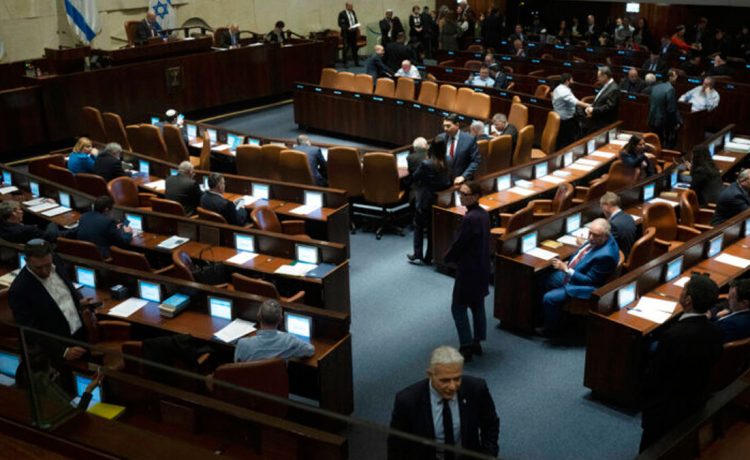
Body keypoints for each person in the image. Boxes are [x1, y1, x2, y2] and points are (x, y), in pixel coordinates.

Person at [640, 274, 722, 452]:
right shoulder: (716, 331)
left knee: (650, 450)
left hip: (664, 408)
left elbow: (655, 375)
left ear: (688, 300)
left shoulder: (674, 336)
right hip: (694, 403)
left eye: (683, 289)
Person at [388, 345, 500, 459]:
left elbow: (490, 424)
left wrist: (488, 455)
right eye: (445, 380)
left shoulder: (476, 389)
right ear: (430, 375)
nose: (452, 387)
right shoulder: (408, 401)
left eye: (457, 379)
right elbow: (397, 446)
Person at [9, 239, 94, 382]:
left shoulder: (56, 261)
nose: (45, 271)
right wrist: (63, 351)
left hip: (80, 334)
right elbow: (30, 330)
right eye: (38, 267)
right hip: (57, 350)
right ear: (26, 261)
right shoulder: (19, 290)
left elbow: (66, 288)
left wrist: (77, 303)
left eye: (48, 265)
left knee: (89, 378)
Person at [537, 218, 619, 336]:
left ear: (605, 236)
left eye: (595, 235)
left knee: (549, 298)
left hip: (582, 286)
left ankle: (550, 330)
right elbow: (588, 253)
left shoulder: (606, 255)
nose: (590, 237)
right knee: (541, 279)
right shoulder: (601, 240)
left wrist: (566, 269)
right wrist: (582, 245)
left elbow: (590, 281)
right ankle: (543, 316)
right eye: (590, 233)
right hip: (575, 272)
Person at [444, 181, 489, 360]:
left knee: (458, 307)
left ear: (476, 196)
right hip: (482, 267)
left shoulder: (470, 219)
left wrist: (447, 258)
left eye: (465, 194)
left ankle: (466, 346)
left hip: (468, 270)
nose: (461, 197)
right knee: (477, 304)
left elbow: (460, 243)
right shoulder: (483, 214)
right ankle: (477, 342)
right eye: (460, 193)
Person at [407, 140, 451, 266]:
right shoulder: (449, 159)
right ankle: (429, 256)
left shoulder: (426, 163)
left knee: (419, 226)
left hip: (425, 199)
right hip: (441, 199)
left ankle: (417, 254)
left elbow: (415, 177)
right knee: (432, 228)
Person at [234, 299, 315, 362]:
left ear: (258, 317)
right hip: (277, 379)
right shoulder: (289, 341)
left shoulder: (242, 344)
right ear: (280, 320)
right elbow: (310, 350)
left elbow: (237, 366)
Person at [436, 113, 481, 185]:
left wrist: (464, 176)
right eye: (444, 126)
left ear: (457, 125)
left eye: (448, 126)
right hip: (443, 181)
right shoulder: (440, 138)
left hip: (462, 181)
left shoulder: (469, 139)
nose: (445, 129)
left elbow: (475, 161)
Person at [552, 73, 589, 149]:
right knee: (569, 141)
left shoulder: (558, 88)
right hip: (566, 120)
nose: (573, 81)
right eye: (572, 80)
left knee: (561, 140)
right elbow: (576, 102)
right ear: (567, 81)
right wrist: (590, 105)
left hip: (560, 118)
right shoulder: (564, 92)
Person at [708, 279, 750, 343]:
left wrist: (708, 318)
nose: (728, 298)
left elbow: (707, 336)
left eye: (731, 297)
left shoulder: (728, 325)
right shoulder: (741, 312)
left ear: (744, 303)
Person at [599, 192, 637, 257]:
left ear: (608, 205)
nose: (602, 210)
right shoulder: (629, 217)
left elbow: (605, 245)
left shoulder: (613, 225)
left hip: (620, 258)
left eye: (602, 207)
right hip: (629, 253)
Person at [648, 70, 679, 149]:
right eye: (675, 76)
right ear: (670, 77)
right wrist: (676, 122)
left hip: (652, 118)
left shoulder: (656, 87)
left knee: (653, 143)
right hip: (663, 122)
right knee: (663, 145)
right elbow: (671, 109)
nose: (676, 78)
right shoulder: (670, 89)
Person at [585, 66, 620, 132]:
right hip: (597, 120)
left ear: (605, 76)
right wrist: (592, 107)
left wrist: (594, 110)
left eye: (599, 77)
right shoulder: (606, 85)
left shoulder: (614, 89)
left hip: (604, 123)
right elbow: (600, 100)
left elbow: (609, 107)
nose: (597, 79)